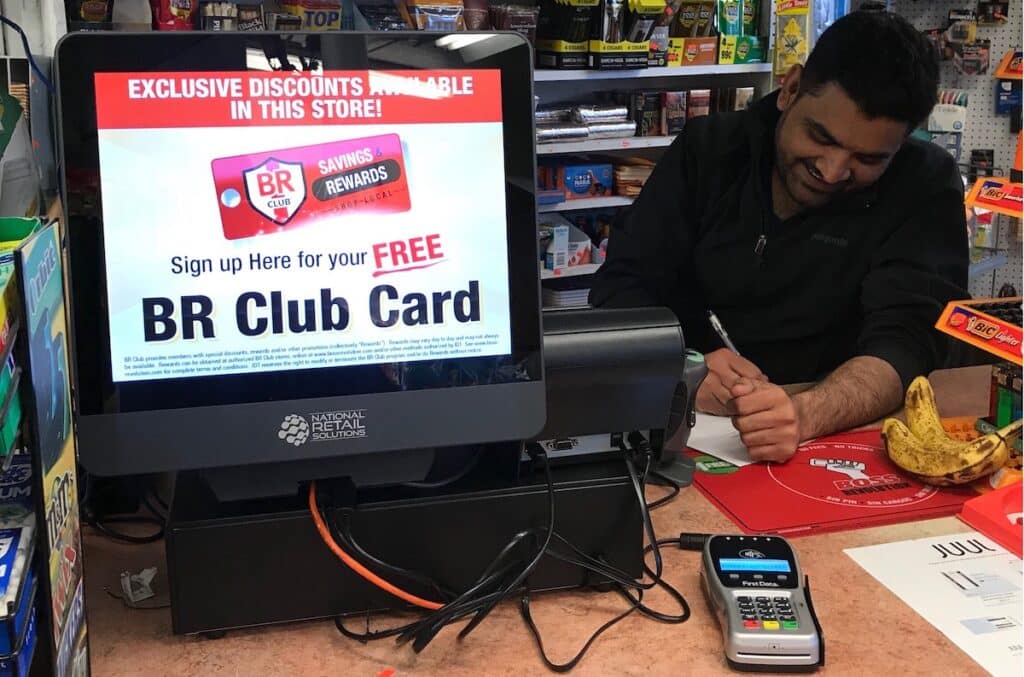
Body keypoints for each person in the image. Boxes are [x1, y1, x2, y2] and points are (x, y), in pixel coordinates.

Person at [589, 11, 968, 463]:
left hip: (835, 434)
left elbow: (909, 340)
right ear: (790, 89)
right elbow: (620, 289)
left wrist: (807, 413)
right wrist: (683, 363)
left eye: (867, 159)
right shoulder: (708, 151)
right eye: (819, 136)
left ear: (901, 145)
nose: (831, 171)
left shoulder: (924, 184)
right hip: (684, 423)